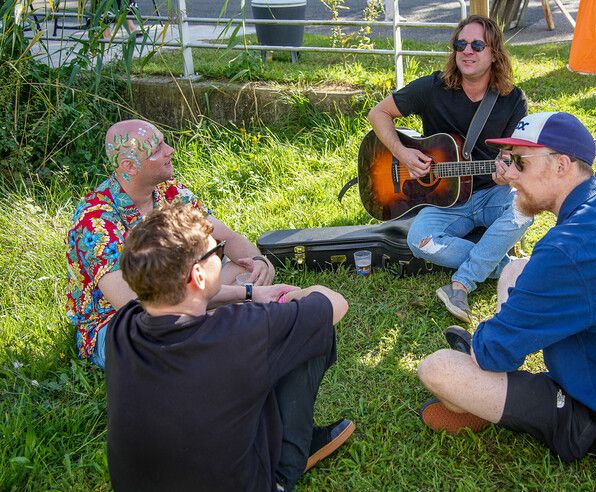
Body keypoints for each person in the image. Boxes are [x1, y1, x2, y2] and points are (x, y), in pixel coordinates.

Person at [416, 112, 596, 463]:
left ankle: (485, 402)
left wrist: (486, 346)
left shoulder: (567, 250)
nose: (509, 175)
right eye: (507, 161)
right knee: (517, 269)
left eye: (519, 162)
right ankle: (494, 387)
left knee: (438, 369)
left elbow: (490, 353)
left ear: (562, 165)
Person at [105, 203, 352, 491]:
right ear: (198, 275)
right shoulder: (241, 331)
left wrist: (251, 292)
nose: (221, 258)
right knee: (311, 335)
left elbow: (172, 300)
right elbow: (334, 304)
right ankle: (283, 473)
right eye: (218, 254)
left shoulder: (123, 326)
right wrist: (292, 298)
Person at [66, 119, 275, 369]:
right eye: (157, 149)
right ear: (129, 166)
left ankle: (212, 326)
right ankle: (217, 325)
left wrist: (260, 263)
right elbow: (137, 307)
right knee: (165, 336)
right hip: (121, 326)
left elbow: (227, 237)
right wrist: (246, 292)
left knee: (245, 269)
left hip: (179, 296)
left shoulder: (169, 191)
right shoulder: (95, 220)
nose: (170, 150)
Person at [368, 15, 531, 324]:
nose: (467, 51)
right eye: (460, 44)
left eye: (477, 45)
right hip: (445, 202)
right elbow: (379, 113)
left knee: (524, 210)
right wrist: (403, 153)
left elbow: (513, 156)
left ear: (494, 52)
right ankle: (502, 263)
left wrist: (506, 170)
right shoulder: (433, 88)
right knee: (420, 241)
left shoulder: (513, 100)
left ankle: (461, 283)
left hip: (491, 193)